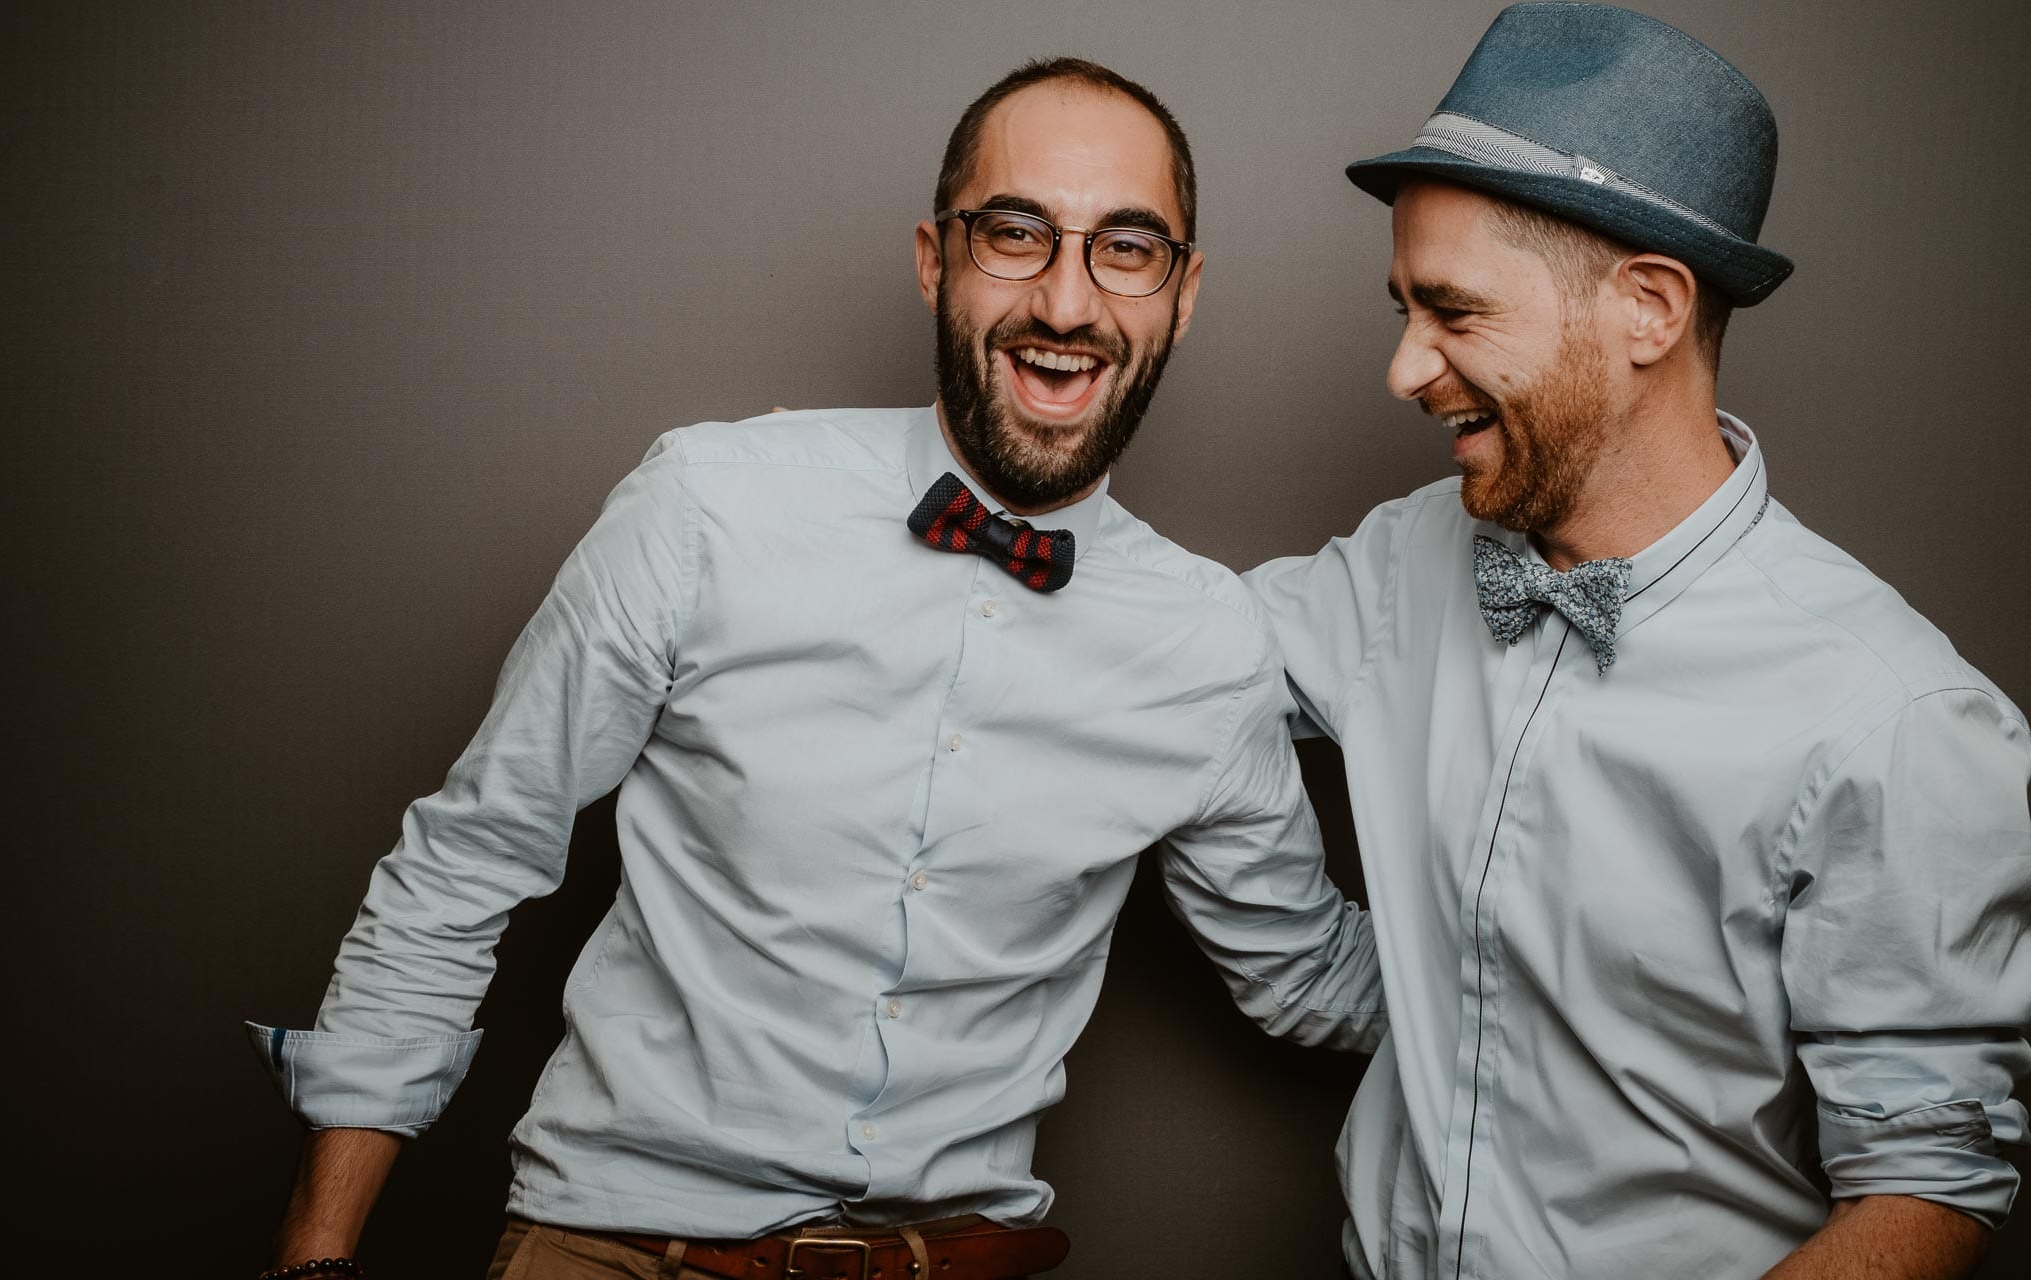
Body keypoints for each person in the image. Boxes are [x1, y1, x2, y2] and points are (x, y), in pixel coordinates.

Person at [246, 56, 1385, 1280]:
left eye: (1126, 246)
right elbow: (473, 854)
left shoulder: (1205, 643)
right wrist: (316, 1253)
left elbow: (1306, 970)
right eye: (1014, 233)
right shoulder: (708, 506)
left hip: (956, 1258)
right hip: (617, 1247)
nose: (1067, 300)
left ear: (1182, 292)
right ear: (931, 258)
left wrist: (1585, 975)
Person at [1244, 6, 2031, 1278]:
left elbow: (1921, 1192)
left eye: (1450, 310)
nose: (1402, 368)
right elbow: (1174, 658)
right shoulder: (1404, 558)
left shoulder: (1894, 719)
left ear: (1649, 308)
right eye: (1402, 306)